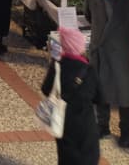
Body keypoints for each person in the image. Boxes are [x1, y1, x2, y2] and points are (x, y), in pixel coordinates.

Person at [85, 0, 129, 147]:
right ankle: (102, 126)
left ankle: (126, 132)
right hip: (99, 52)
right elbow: (88, 17)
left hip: (121, 55)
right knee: (101, 93)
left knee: (125, 95)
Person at [42, 26, 101, 165]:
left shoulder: (57, 65)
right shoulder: (88, 70)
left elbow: (45, 89)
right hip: (84, 123)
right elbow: (100, 97)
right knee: (88, 158)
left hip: (62, 121)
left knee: (66, 157)